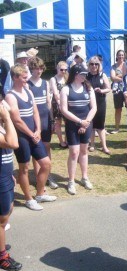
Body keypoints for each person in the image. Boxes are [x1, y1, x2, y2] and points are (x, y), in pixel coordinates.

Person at [5, 64, 56, 211]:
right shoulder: (10, 96)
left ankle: (40, 194)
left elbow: (35, 112)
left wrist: (38, 130)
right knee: (24, 169)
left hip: (34, 134)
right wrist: (31, 134)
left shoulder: (28, 91)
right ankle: (28, 199)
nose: (27, 80)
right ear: (15, 78)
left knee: (46, 164)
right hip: (22, 137)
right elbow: (17, 120)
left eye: (27, 77)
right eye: (24, 78)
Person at [60, 64, 97, 195]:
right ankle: (71, 181)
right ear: (76, 74)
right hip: (72, 125)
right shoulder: (66, 89)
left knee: (83, 151)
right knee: (74, 152)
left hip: (86, 123)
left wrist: (86, 123)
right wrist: (80, 122)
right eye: (83, 74)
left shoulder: (88, 87)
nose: (85, 76)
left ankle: (85, 177)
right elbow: (63, 110)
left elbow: (93, 108)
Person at [28, 57, 58, 190]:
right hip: (34, 121)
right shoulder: (27, 84)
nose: (39, 71)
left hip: (46, 119)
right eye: (36, 68)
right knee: (36, 149)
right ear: (31, 68)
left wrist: (52, 120)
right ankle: (37, 176)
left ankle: (47, 175)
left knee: (46, 147)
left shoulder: (45, 83)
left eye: (40, 68)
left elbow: (48, 103)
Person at [0, 99, 22, 271]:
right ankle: (2, 257)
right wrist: (7, 117)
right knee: (1, 219)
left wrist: (11, 173)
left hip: (5, 176)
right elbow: (14, 144)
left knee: (8, 211)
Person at [86, 56, 111, 154]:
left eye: (96, 64)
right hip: (89, 104)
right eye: (92, 64)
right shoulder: (86, 76)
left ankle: (104, 146)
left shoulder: (102, 75)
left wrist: (101, 90)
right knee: (91, 125)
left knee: (100, 126)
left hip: (100, 103)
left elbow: (108, 88)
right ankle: (92, 144)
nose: (94, 66)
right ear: (89, 65)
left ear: (99, 65)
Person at [49, 61, 68, 148]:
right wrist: (60, 104)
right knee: (58, 123)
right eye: (61, 69)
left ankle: (67, 140)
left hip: (67, 102)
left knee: (68, 122)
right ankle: (61, 141)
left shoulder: (67, 77)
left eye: (65, 70)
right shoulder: (53, 79)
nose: (63, 71)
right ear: (57, 69)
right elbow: (55, 93)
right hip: (57, 103)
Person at [110, 49, 125, 134]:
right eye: (119, 55)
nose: (121, 56)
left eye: (122, 55)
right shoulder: (113, 66)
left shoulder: (126, 65)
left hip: (126, 89)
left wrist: (117, 76)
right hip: (117, 90)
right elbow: (112, 78)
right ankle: (116, 128)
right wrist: (122, 76)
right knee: (118, 109)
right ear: (116, 56)